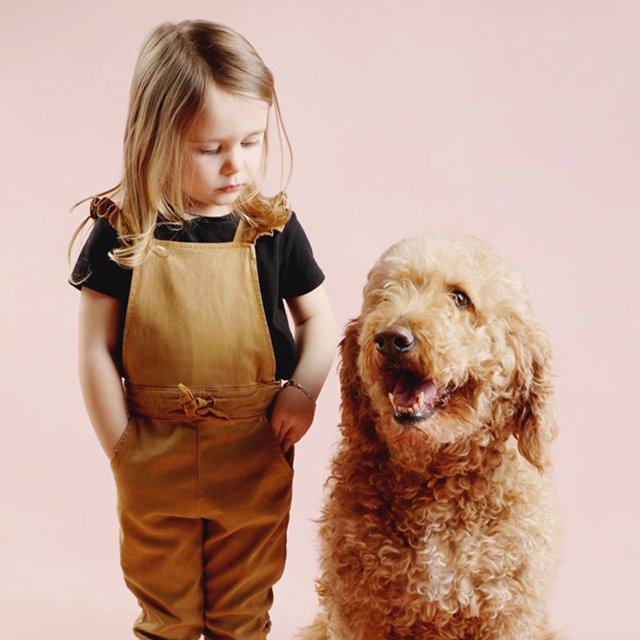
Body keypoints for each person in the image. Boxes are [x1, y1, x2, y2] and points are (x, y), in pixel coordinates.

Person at [69, 20, 336, 640]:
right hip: (153, 449)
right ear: (156, 139)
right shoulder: (125, 229)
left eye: (251, 141)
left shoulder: (272, 228)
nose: (236, 164)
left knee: (244, 609)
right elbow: (94, 350)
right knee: (167, 611)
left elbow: (318, 318)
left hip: (253, 448)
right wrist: (121, 450)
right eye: (209, 147)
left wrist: (304, 390)